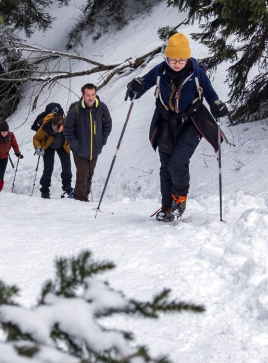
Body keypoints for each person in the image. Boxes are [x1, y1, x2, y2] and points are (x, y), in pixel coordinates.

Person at [125, 32, 229, 222]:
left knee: (177, 162)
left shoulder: (197, 72)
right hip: (166, 121)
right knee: (165, 166)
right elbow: (144, 84)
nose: (177, 63)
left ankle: (179, 200)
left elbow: (211, 96)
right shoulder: (160, 70)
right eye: (173, 59)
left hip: (192, 122)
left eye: (181, 59)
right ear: (167, 57)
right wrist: (135, 88)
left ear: (187, 57)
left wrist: (217, 106)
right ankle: (166, 208)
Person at [63, 83, 112, 202]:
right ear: (83, 95)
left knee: (89, 175)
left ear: (95, 94)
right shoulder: (75, 110)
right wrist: (76, 145)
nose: (90, 98)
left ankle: (85, 196)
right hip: (79, 150)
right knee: (82, 175)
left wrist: (101, 141)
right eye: (88, 95)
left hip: (94, 149)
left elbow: (107, 125)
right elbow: (67, 130)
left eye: (92, 95)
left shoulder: (101, 108)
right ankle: (79, 199)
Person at [32, 110, 72, 199]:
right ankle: (44, 190)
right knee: (48, 167)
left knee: (67, 166)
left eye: (62, 128)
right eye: (59, 129)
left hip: (62, 146)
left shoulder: (66, 124)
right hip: (48, 146)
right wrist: (38, 148)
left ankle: (67, 186)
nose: (61, 130)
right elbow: (36, 138)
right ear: (54, 126)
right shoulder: (45, 127)